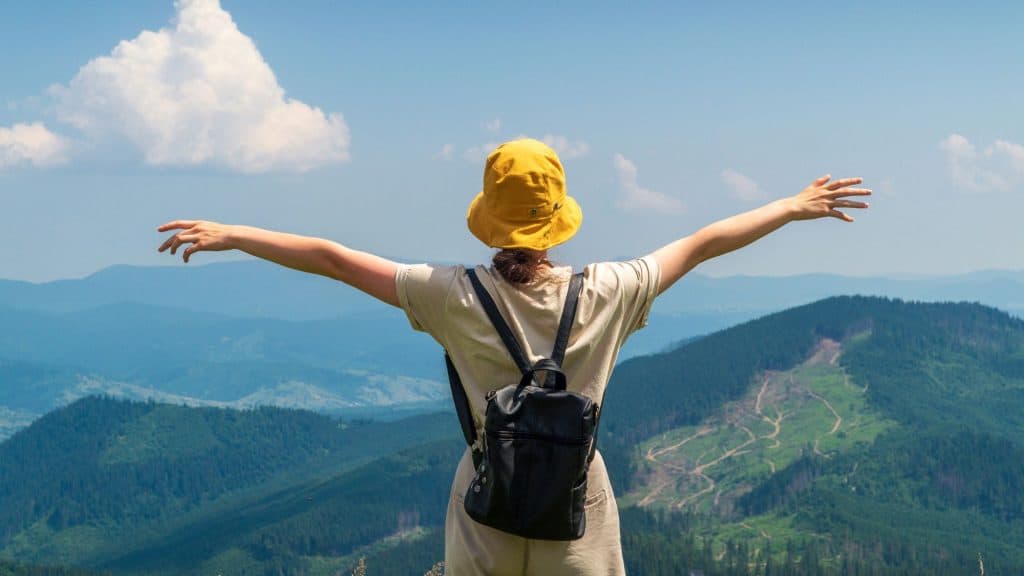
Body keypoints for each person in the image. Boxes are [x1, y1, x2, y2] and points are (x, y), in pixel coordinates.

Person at [156, 138, 870, 574]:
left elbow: (336, 260)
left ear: (488, 219)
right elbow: (706, 240)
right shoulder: (611, 290)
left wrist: (236, 232)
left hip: (484, 499)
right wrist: (791, 204)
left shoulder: (448, 294)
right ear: (558, 217)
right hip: (578, 502)